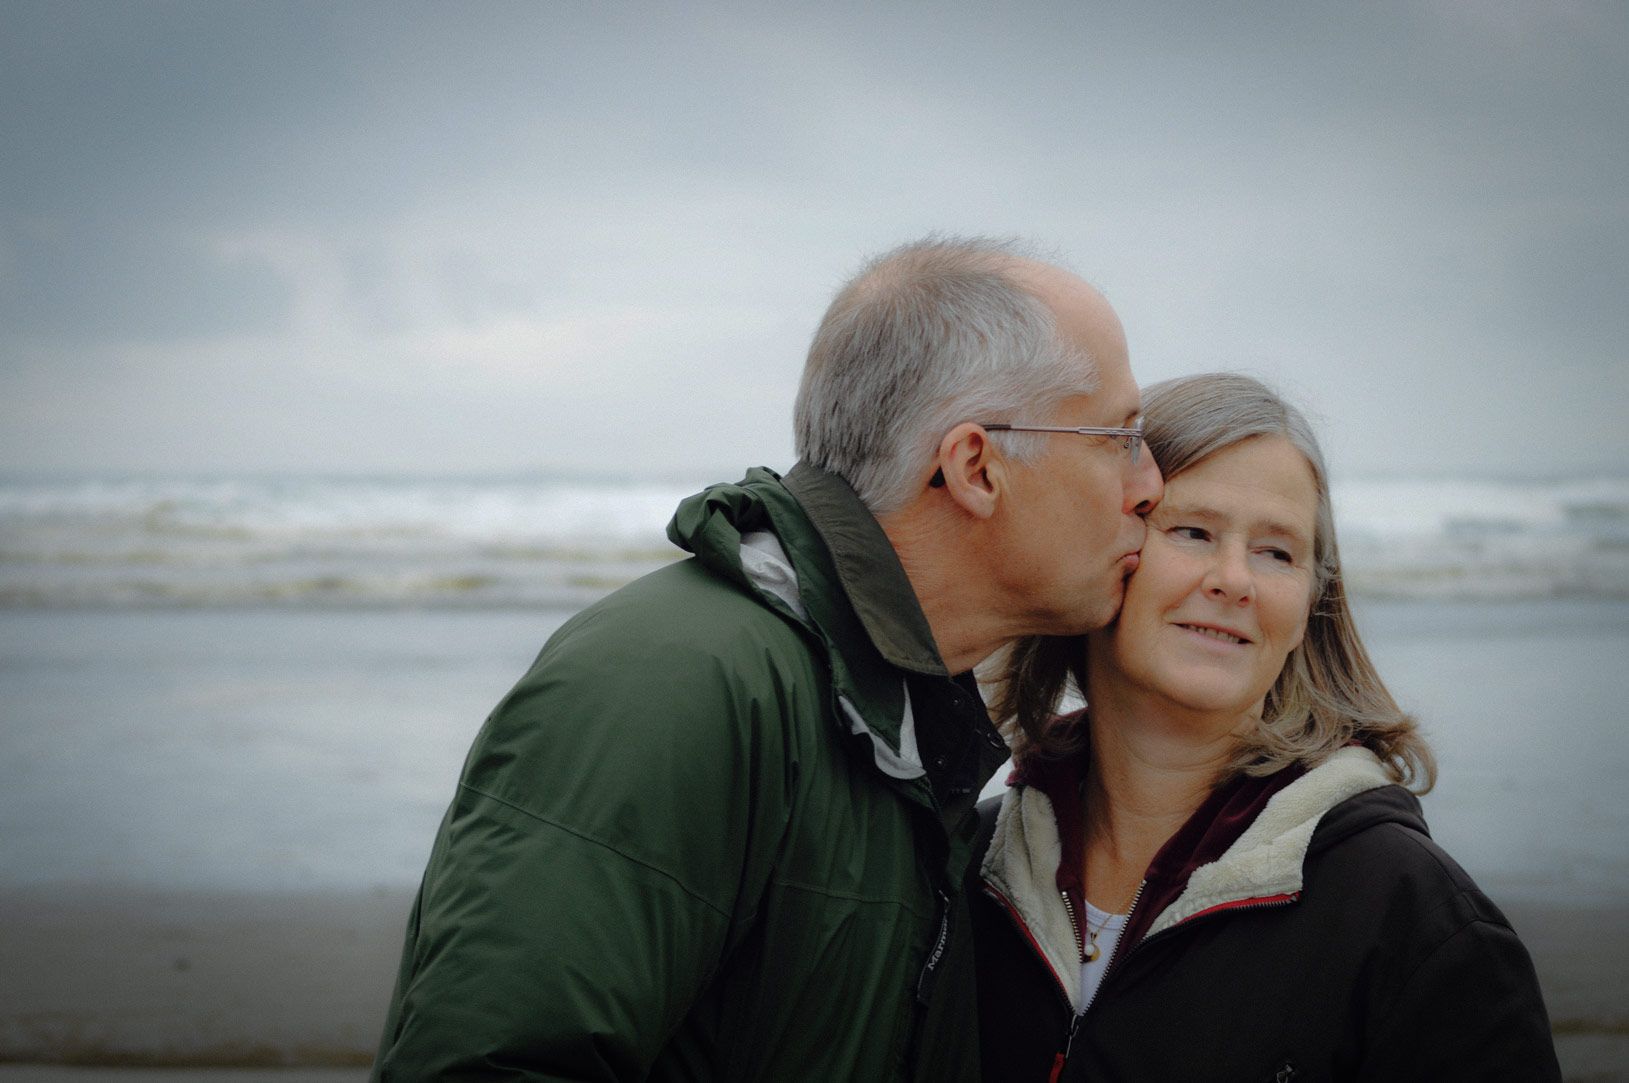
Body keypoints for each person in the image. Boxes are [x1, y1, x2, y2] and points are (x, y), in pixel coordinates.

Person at [370, 236, 1164, 1081]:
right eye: (1117, 436)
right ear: (974, 466)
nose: (1148, 483)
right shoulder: (676, 680)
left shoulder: (896, 712)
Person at [971, 372, 1560, 1082]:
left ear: (1312, 601)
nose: (1233, 578)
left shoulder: (1412, 914)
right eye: (1191, 531)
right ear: (1106, 546)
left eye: (1276, 551)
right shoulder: (969, 865)